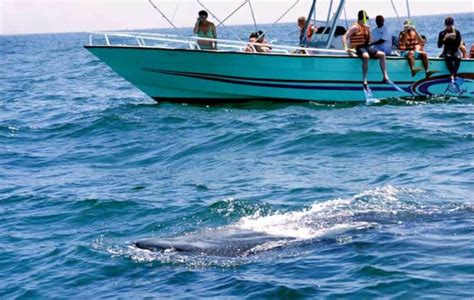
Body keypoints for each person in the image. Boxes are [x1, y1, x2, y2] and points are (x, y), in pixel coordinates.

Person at [342, 10, 390, 90]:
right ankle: (364, 80)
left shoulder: (365, 27)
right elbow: (344, 36)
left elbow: (370, 41)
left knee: (382, 55)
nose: (366, 20)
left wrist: (369, 31)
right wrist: (346, 48)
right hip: (358, 47)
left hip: (366, 47)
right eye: (366, 18)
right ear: (363, 18)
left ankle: (385, 76)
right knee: (366, 56)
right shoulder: (355, 27)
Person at [438, 16, 462, 81]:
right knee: (448, 56)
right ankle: (453, 74)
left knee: (458, 57)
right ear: (445, 25)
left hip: (455, 50)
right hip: (446, 50)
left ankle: (453, 75)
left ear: (452, 24)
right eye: (447, 25)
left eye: (450, 25)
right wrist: (444, 38)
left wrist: (455, 38)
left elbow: (458, 44)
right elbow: (439, 45)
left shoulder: (457, 32)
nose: (449, 26)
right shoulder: (442, 33)